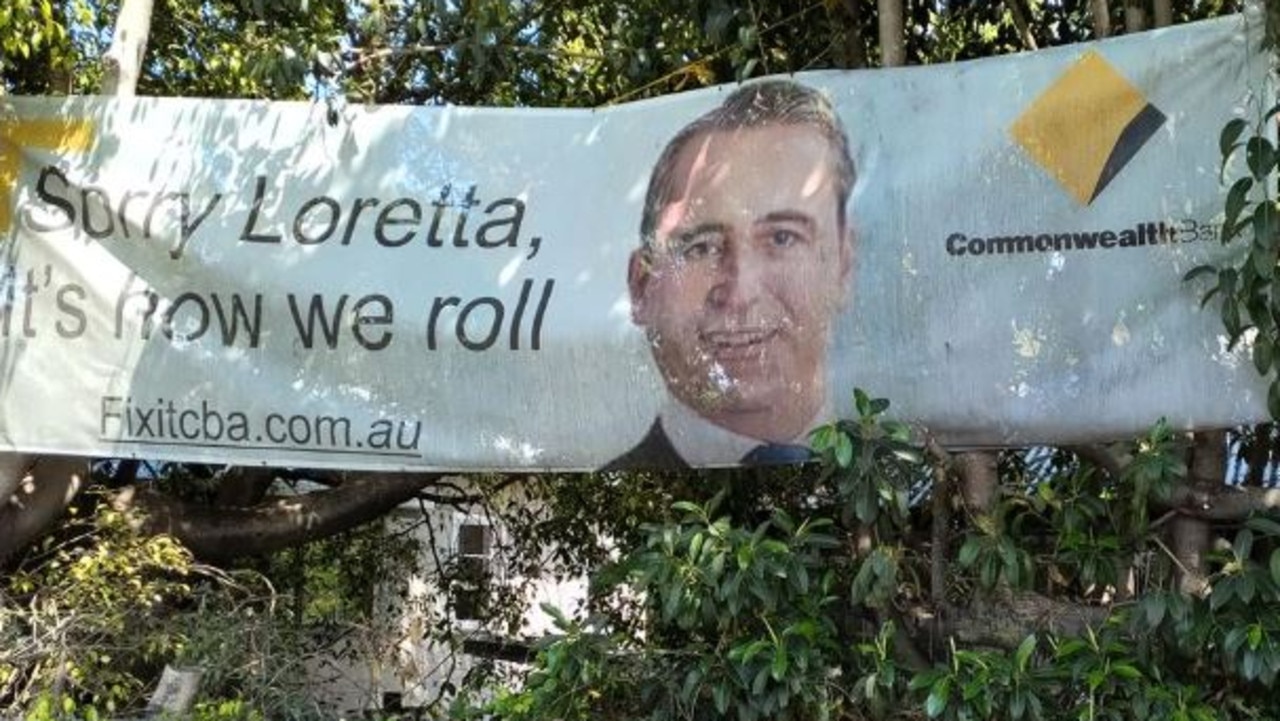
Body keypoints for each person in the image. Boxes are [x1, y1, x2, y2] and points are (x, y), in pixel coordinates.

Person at [605, 79, 856, 470]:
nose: (741, 292)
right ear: (642, 286)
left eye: (783, 238)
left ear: (843, 265)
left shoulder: (906, 478)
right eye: (701, 247)